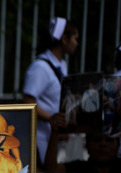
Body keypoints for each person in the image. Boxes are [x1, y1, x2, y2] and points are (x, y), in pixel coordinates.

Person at [23, 17, 79, 165]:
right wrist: (51, 119)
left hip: (55, 137)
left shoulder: (62, 65)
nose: (76, 43)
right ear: (64, 39)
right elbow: (28, 102)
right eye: (75, 38)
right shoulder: (40, 67)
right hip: (41, 138)